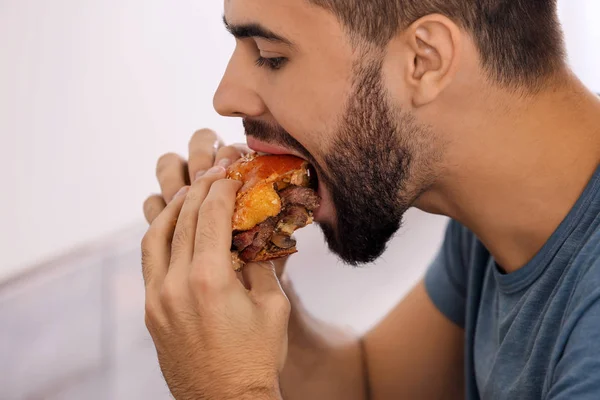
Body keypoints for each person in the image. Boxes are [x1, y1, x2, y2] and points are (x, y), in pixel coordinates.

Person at [140, 0, 600, 398]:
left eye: (270, 55)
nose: (226, 98)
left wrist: (227, 393)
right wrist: (250, 290)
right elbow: (370, 388)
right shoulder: (498, 211)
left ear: (425, 60)